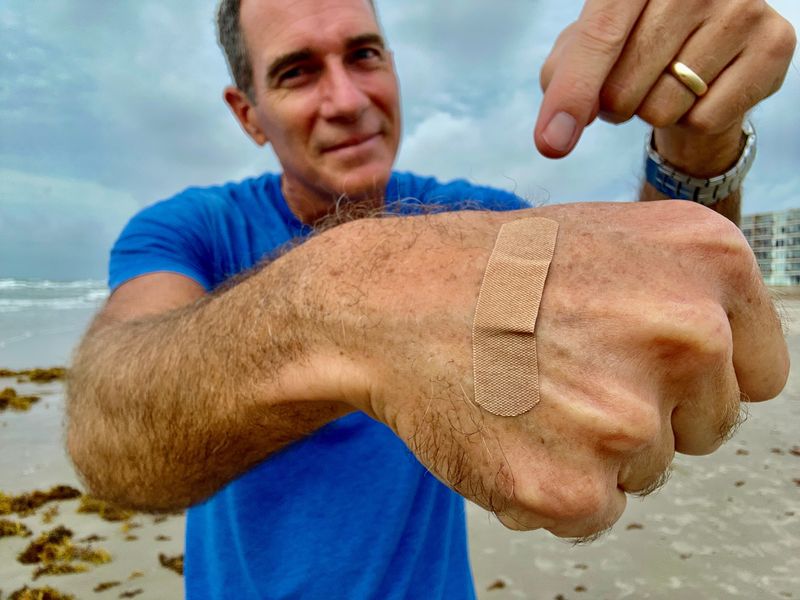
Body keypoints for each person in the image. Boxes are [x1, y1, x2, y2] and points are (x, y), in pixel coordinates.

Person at [65, 0, 795, 598]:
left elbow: (668, 315)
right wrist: (352, 295)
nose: (347, 100)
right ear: (248, 113)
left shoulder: (476, 224)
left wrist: (698, 139)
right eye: (295, 72)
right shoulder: (192, 229)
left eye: (365, 54)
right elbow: (110, 424)